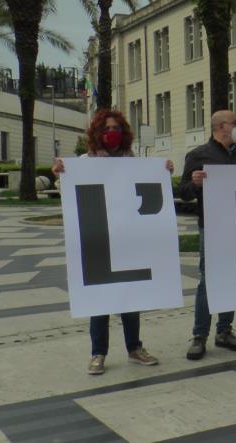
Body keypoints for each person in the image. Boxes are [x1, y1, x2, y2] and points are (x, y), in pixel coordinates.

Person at [52, 109, 171, 375]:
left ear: (124, 133)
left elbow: (149, 190)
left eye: (116, 128)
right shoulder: (85, 161)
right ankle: (98, 354)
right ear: (97, 134)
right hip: (98, 241)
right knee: (100, 300)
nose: (111, 133)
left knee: (130, 298)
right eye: (106, 129)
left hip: (127, 241)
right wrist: (61, 173)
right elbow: (67, 190)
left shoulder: (134, 162)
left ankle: (134, 348)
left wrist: (163, 172)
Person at [181, 110, 236, 360]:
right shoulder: (199, 155)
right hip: (211, 225)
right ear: (222, 126)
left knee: (231, 276)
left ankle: (224, 330)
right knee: (208, 279)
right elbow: (184, 192)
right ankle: (199, 335)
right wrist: (194, 183)